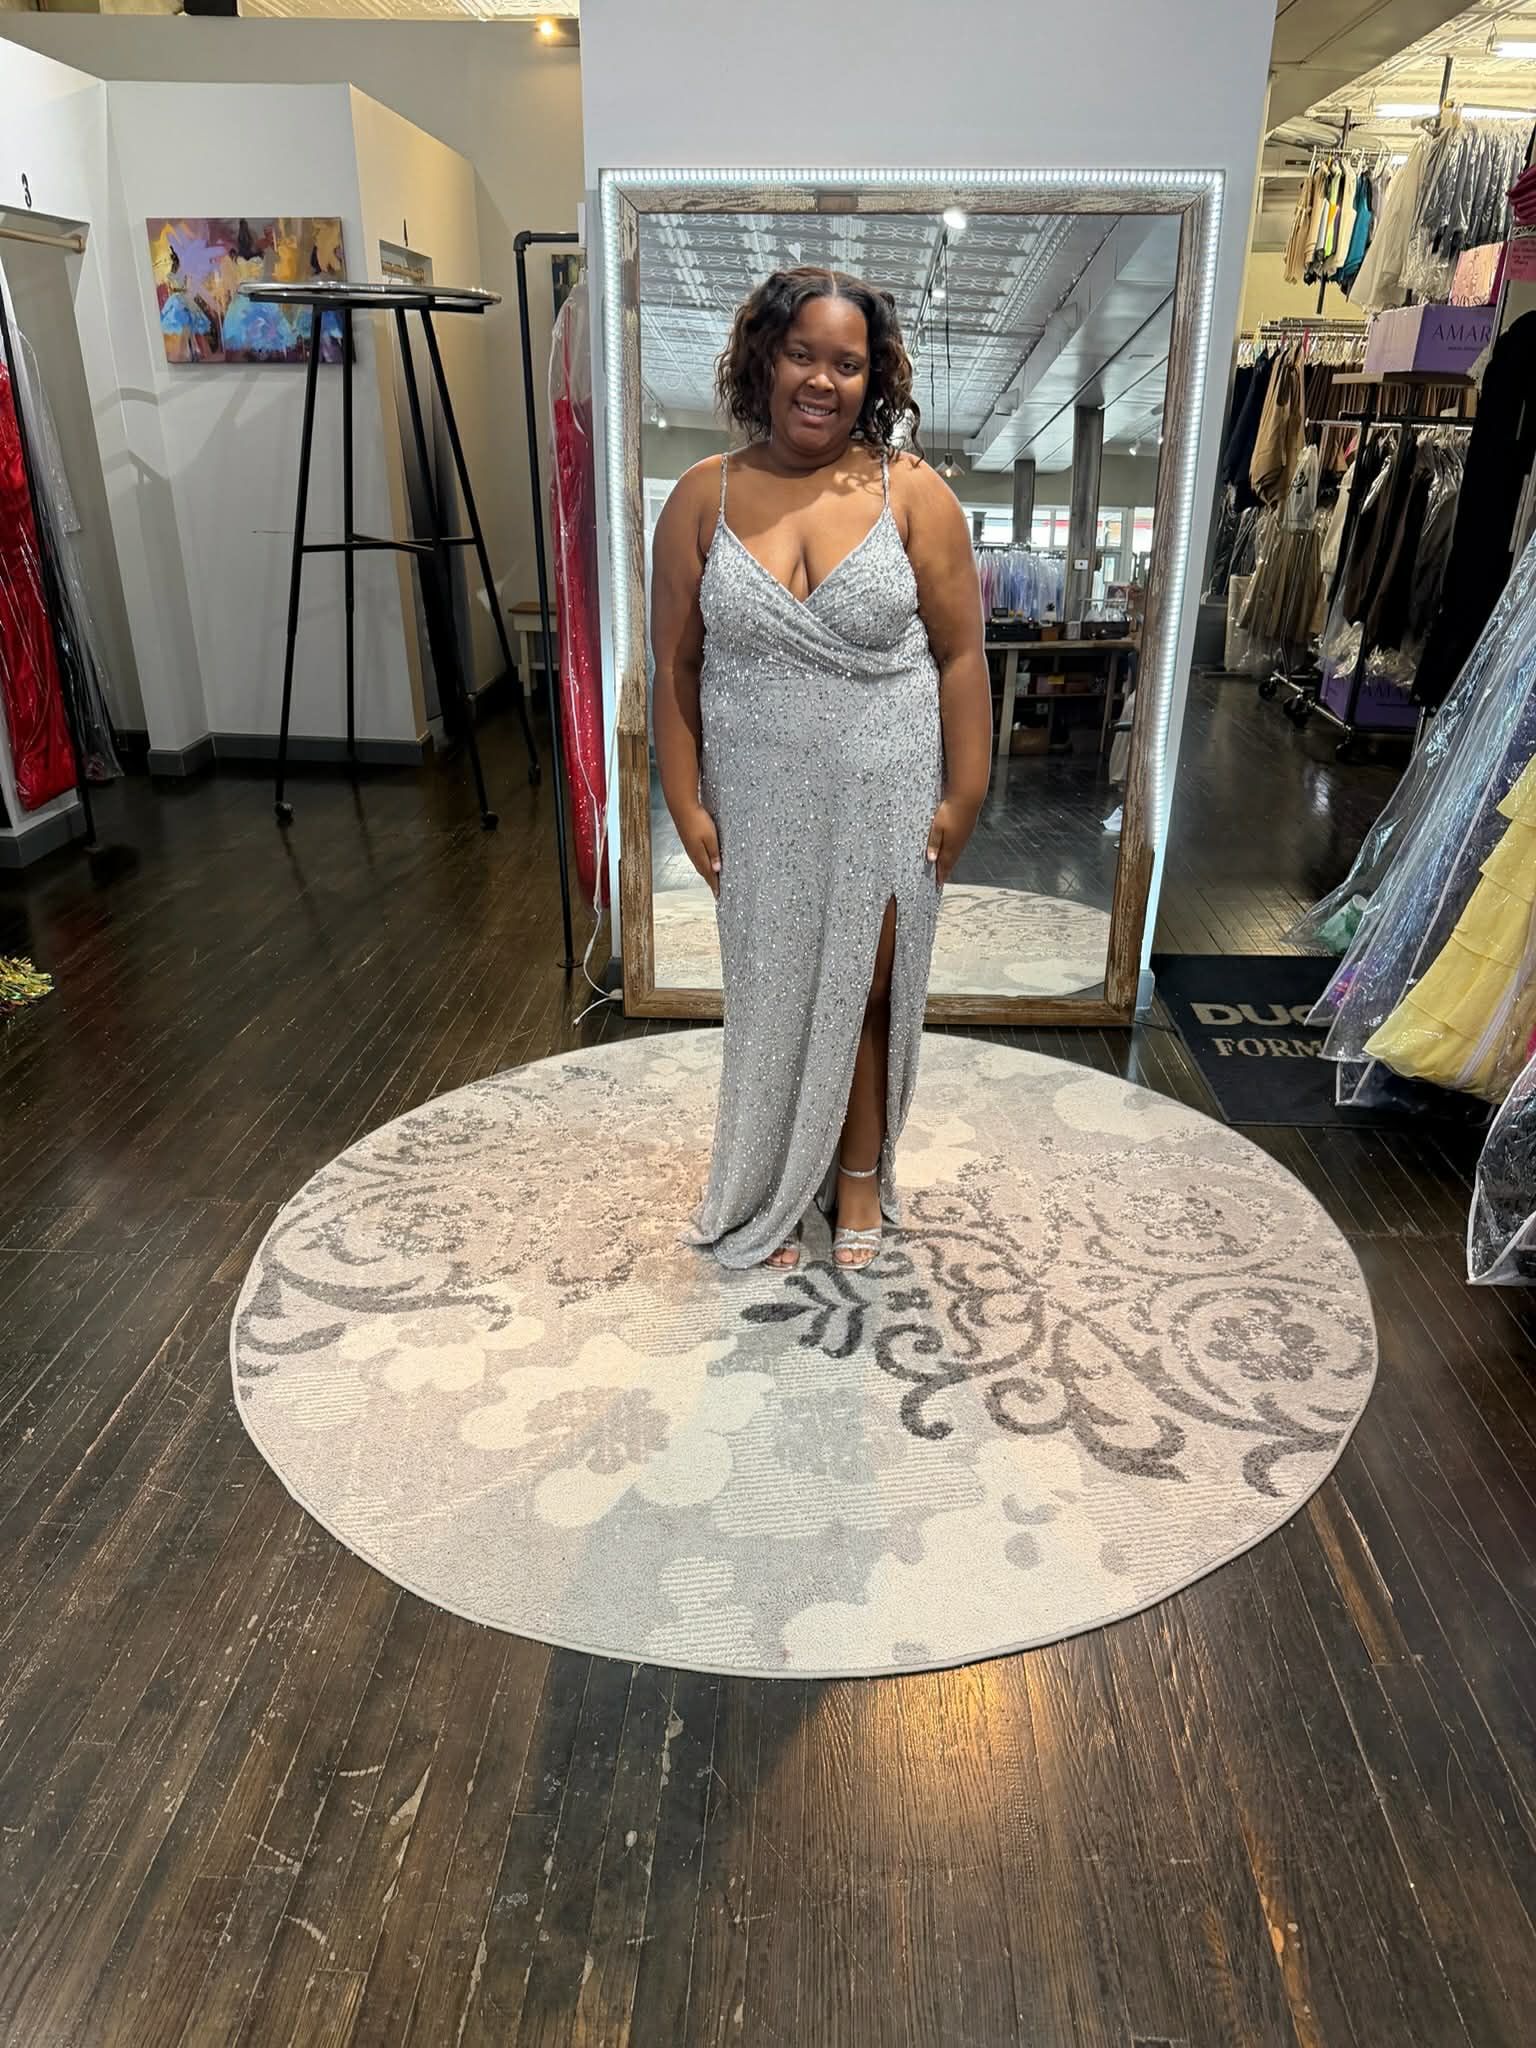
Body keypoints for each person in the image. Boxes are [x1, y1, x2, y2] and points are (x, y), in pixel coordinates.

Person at [650, 266, 992, 1272]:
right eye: (803, 353)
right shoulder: (700, 497)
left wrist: (964, 791)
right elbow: (677, 662)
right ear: (765, 356)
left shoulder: (913, 493)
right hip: (757, 797)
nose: (822, 381)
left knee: (870, 981)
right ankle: (766, 1178)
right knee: (774, 988)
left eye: (848, 363)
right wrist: (683, 794)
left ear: (872, 379)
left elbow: (962, 652)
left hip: (886, 784)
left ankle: (853, 1173)